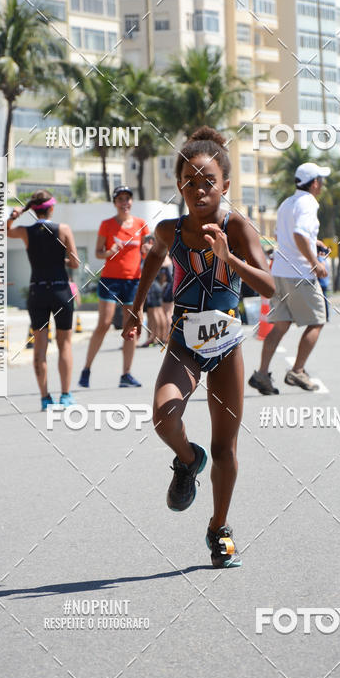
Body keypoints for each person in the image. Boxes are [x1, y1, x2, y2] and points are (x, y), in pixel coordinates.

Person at [122, 127, 274, 569]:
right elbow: (152, 258)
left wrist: (229, 259)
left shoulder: (237, 226)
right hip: (185, 340)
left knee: (226, 447)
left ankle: (219, 529)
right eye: (190, 180)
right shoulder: (169, 229)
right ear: (179, 186)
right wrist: (135, 310)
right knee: (163, 416)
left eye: (208, 180)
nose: (199, 188)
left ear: (225, 184)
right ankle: (188, 462)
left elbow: (269, 286)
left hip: (226, 342)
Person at [248, 162, 330, 395]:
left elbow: (283, 235)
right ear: (314, 183)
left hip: (280, 271)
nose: (322, 185)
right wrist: (315, 262)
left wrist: (314, 243)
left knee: (280, 325)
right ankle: (298, 370)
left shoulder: (287, 202)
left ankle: (262, 374)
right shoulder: (309, 203)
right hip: (300, 273)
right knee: (316, 321)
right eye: (321, 181)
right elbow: (299, 233)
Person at [7, 190, 79, 410]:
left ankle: (45, 398)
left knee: (40, 346)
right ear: (51, 208)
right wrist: (61, 259)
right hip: (60, 290)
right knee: (64, 343)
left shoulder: (26, 232)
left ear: (34, 209)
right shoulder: (63, 229)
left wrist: (14, 216)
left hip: (37, 290)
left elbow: (2, 231)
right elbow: (75, 262)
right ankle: (66, 395)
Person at [79, 186, 147, 389]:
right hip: (111, 280)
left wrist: (147, 250)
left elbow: (147, 250)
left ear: (131, 202)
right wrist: (109, 251)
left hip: (133, 280)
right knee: (105, 323)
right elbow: (98, 253)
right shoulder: (107, 225)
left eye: (127, 199)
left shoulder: (141, 224)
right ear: (115, 203)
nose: (124, 202)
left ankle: (126, 374)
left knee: (130, 328)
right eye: (120, 199)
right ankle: (87, 369)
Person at [140, 234, 167, 347]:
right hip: (155, 284)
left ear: (150, 241)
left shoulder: (151, 251)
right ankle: (160, 336)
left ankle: (156, 338)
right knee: (158, 312)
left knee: (154, 312)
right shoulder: (157, 251)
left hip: (152, 284)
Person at [317, 242, 330, 321]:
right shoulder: (324, 259)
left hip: (320, 282)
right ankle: (326, 316)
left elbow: (320, 272)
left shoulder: (319, 259)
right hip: (325, 282)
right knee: (324, 299)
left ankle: (323, 316)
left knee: (321, 300)